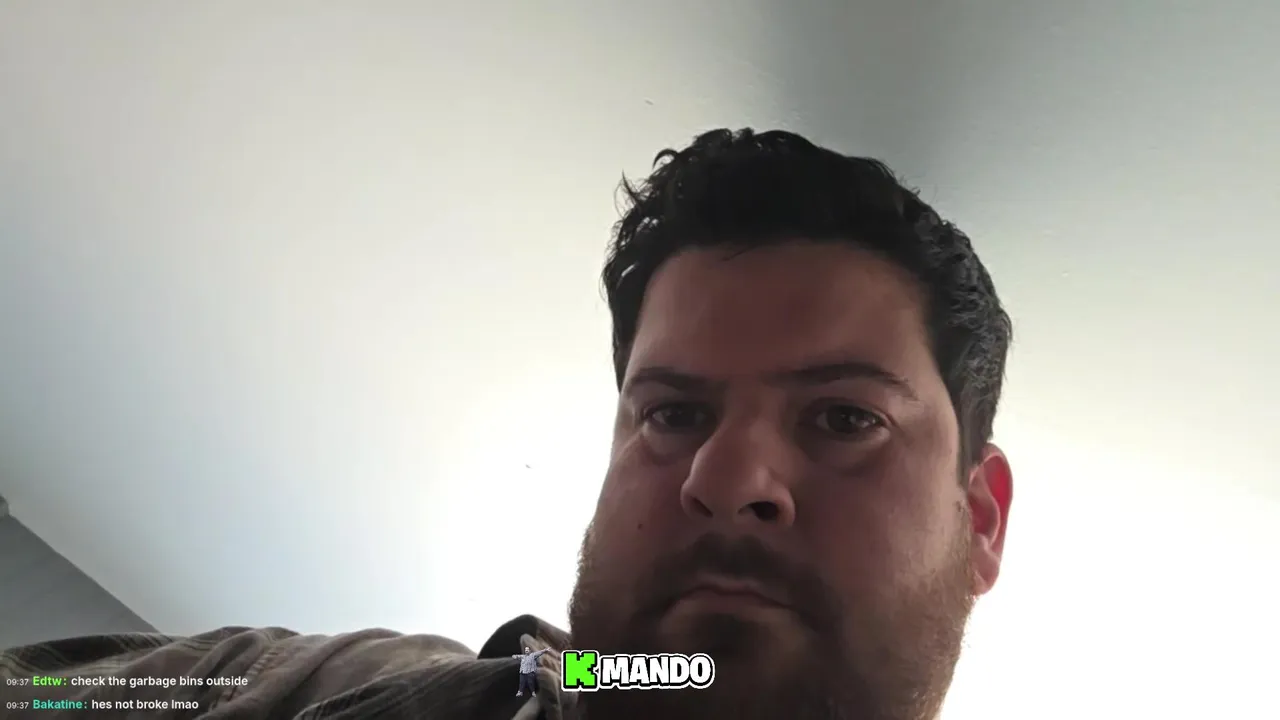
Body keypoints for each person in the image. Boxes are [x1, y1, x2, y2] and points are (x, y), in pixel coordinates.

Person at [0, 128, 1013, 720]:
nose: (723, 476)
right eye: (672, 413)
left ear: (980, 519)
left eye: (843, 417)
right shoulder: (293, 684)